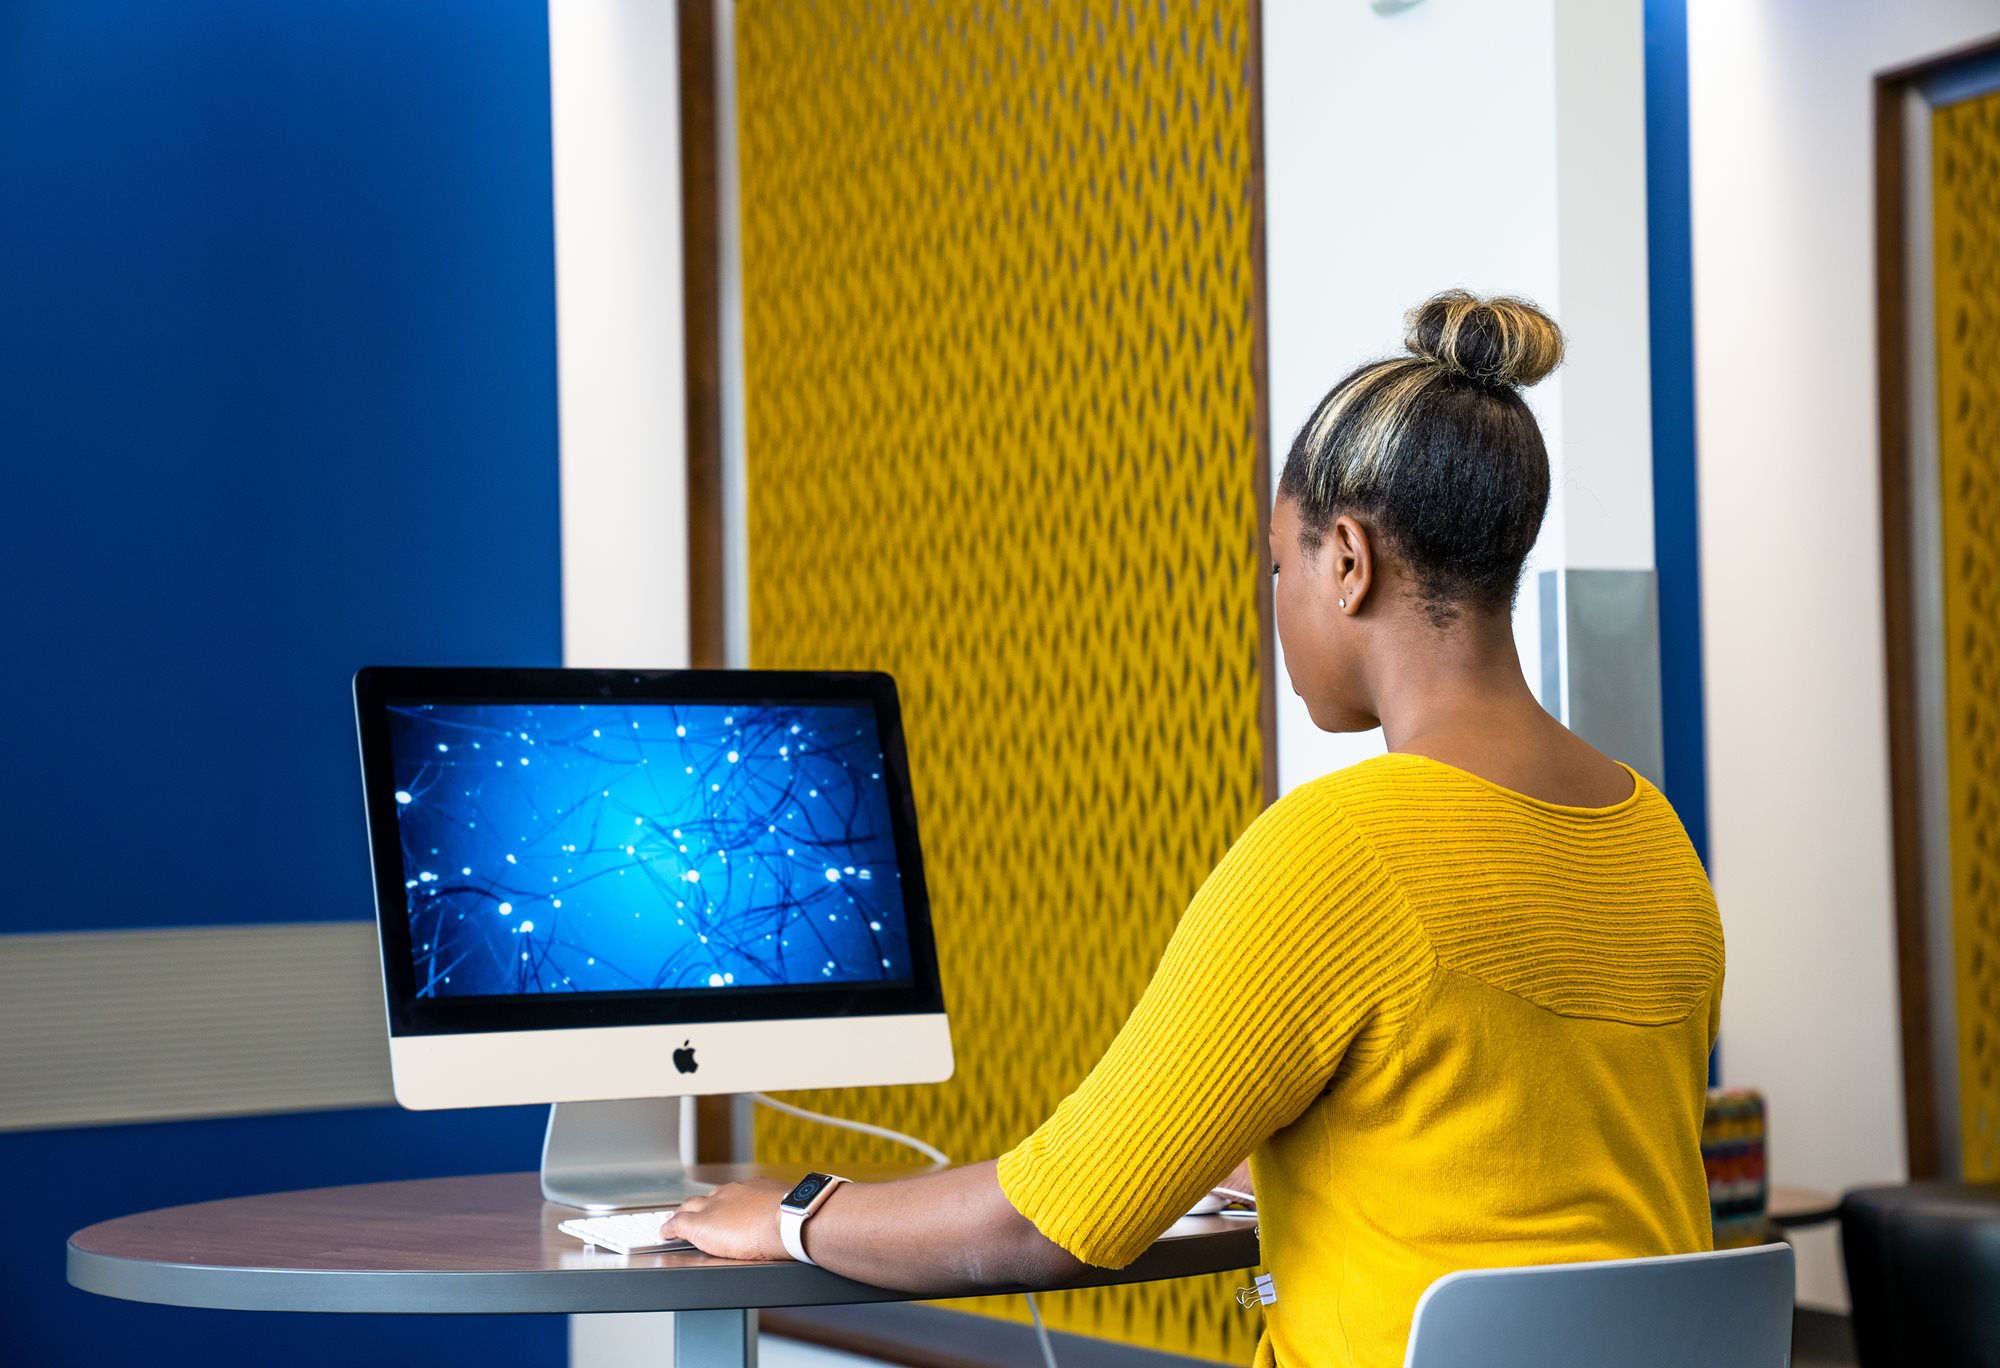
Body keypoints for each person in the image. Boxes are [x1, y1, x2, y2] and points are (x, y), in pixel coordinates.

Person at [667, 291, 1723, 1368]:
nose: (1273, 597)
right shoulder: (1652, 837)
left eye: (1277, 562)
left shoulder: (1339, 846)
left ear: (1346, 561)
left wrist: (799, 1211)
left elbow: (1048, 1217)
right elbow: (1520, 1161)